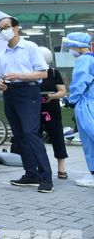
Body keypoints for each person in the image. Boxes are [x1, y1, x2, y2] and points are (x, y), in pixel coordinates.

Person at [0, 17, 52, 193]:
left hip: (28, 92)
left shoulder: (30, 47)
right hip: (9, 93)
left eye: (6, 27)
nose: (3, 31)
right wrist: (0, 84)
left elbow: (43, 73)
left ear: (16, 28)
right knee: (19, 135)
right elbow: (0, 77)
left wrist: (19, 75)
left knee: (30, 133)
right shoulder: (2, 54)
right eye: (0, 29)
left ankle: (46, 178)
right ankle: (31, 174)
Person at [63, 32, 94, 187]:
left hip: (86, 103)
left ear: (79, 47)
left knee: (89, 139)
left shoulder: (84, 60)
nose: (70, 49)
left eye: (71, 46)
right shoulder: (92, 58)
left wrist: (71, 100)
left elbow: (79, 82)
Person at [36, 46, 68, 179]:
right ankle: (40, 167)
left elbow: (62, 91)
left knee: (57, 137)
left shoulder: (54, 72)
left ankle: (61, 169)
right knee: (36, 139)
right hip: (35, 110)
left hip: (52, 110)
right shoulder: (31, 73)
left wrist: (51, 96)